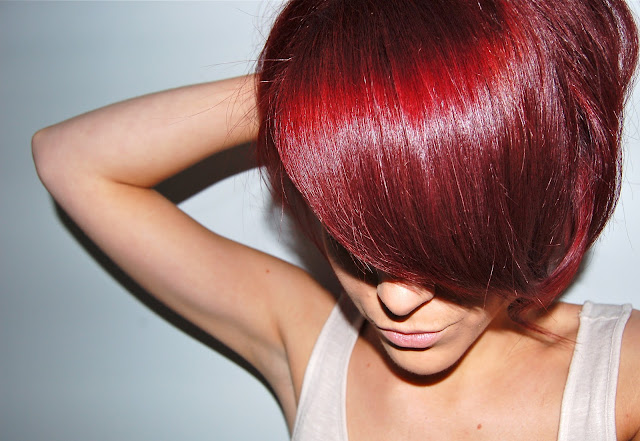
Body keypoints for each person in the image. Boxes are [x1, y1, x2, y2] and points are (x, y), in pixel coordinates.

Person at [32, 0, 640, 439]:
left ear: (535, 208)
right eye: (358, 243)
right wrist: (318, 91)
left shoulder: (622, 375)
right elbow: (69, 161)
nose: (396, 300)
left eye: (444, 246)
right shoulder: (309, 341)